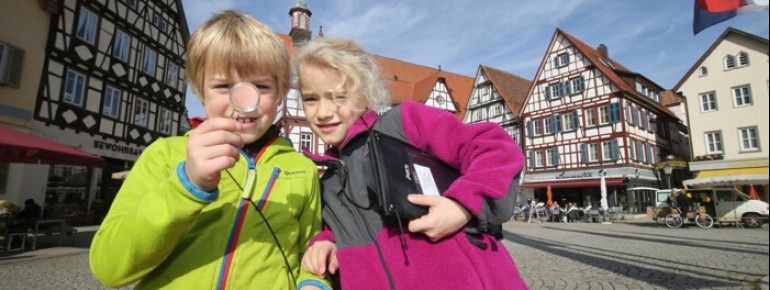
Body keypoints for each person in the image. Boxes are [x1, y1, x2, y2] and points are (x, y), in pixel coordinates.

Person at [89, 10, 330, 290]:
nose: (243, 101)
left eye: (261, 86)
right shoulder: (165, 155)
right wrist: (186, 185)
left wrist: (313, 282)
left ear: (280, 93)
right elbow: (109, 268)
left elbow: (311, 254)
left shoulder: (302, 170)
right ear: (200, 90)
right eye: (223, 86)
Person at [293, 38, 527, 289]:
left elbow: (496, 147)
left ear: (364, 93)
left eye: (338, 96)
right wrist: (325, 241)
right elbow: (343, 229)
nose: (323, 112)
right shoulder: (327, 183)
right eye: (311, 99)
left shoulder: (402, 124)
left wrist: (462, 205)